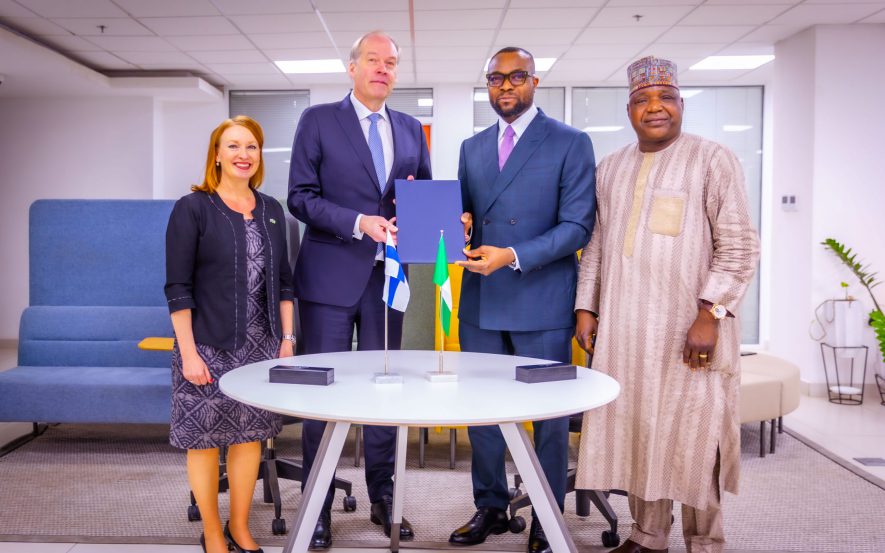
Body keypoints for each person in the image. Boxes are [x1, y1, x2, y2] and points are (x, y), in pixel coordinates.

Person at [573, 56, 760, 553]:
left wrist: (710, 313)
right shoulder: (611, 167)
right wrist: (586, 308)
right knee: (641, 432)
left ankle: (706, 541)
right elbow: (597, 244)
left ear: (681, 104)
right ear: (629, 109)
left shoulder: (711, 159)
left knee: (698, 438)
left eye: (665, 98)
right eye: (642, 100)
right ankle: (649, 535)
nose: (654, 108)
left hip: (692, 331)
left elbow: (739, 244)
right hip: (628, 331)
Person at [287, 30, 431, 549]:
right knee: (322, 391)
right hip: (328, 277)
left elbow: (421, 199)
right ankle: (318, 504)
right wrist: (357, 222)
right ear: (352, 68)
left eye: (391, 62)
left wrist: (444, 218)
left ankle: (384, 497)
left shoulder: (412, 128)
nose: (383, 69)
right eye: (373, 60)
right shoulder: (318, 121)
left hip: (387, 280)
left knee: (383, 391)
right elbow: (299, 198)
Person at [448, 46, 596, 553]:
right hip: (483, 301)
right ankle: (489, 505)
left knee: (548, 416)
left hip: (542, 298)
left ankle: (545, 515)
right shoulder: (471, 147)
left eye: (515, 77)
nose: (505, 87)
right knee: (483, 411)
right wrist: (458, 226)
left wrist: (511, 253)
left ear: (535, 81)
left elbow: (577, 226)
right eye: (495, 78)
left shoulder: (571, 142)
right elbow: (464, 215)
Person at [165, 116, 295, 553]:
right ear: (216, 154)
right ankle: (213, 530)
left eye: (252, 147)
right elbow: (178, 289)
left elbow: (286, 283)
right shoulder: (194, 207)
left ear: (260, 156)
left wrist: (287, 341)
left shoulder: (272, 210)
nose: (243, 155)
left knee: (249, 437)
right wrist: (188, 354)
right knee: (203, 441)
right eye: (233, 146)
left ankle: (240, 526)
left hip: (261, 347)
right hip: (207, 344)